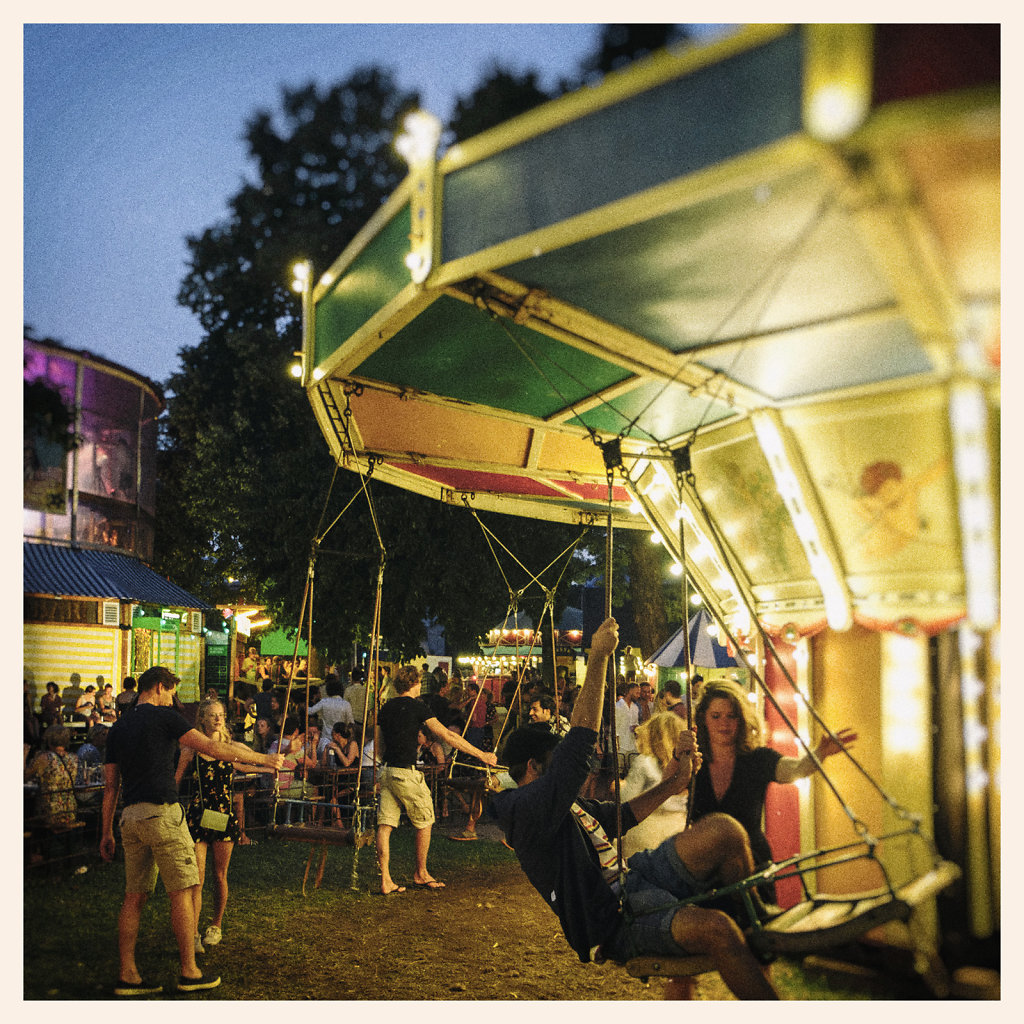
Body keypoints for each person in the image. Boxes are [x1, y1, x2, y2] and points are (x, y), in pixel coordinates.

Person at [491, 617, 779, 1001]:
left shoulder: (562, 806)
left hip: (637, 875)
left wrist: (675, 782)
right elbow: (577, 749)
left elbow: (618, 818)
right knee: (719, 929)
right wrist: (597, 659)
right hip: (614, 917)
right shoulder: (525, 810)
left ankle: (758, 923)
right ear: (532, 767)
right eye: (552, 757)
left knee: (724, 829)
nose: (559, 762)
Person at [101, 665, 284, 996]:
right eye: (171, 691)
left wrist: (106, 832)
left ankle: (127, 973)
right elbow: (214, 749)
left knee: (134, 895)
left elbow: (110, 787)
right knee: (184, 890)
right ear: (158, 687)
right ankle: (189, 971)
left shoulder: (119, 727)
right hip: (162, 815)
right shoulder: (165, 717)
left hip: (130, 818)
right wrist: (263, 758)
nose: (174, 698)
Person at [689, 678, 857, 882]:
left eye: (731, 716)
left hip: (752, 864)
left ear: (741, 720)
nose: (724, 723)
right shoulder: (694, 763)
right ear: (703, 719)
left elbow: (797, 768)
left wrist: (821, 753)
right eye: (716, 716)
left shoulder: (757, 759)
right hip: (708, 867)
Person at [375, 665, 498, 894]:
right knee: (426, 819)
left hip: (387, 771)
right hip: (406, 772)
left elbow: (380, 746)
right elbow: (448, 735)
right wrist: (482, 755)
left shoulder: (385, 708)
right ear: (415, 684)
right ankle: (421, 873)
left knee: (386, 825)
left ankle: (386, 880)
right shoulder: (419, 707)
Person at [175, 697, 262, 953]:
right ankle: (192, 933)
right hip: (199, 815)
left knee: (220, 875)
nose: (218, 719)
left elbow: (248, 762)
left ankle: (216, 925)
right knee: (196, 879)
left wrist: (274, 764)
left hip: (222, 815)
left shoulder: (230, 746)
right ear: (202, 718)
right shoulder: (191, 748)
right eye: (212, 715)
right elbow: (176, 779)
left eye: (221, 714)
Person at [619, 712, 691, 859]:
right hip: (678, 830)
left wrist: (620, 788)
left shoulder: (644, 762)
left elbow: (627, 800)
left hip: (646, 831)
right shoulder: (687, 763)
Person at [26, 725, 79, 828]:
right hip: (70, 811)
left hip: (50, 812)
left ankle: (35, 842)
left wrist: (24, 755)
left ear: (48, 740)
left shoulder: (44, 758)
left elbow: (24, 777)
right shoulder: (74, 757)